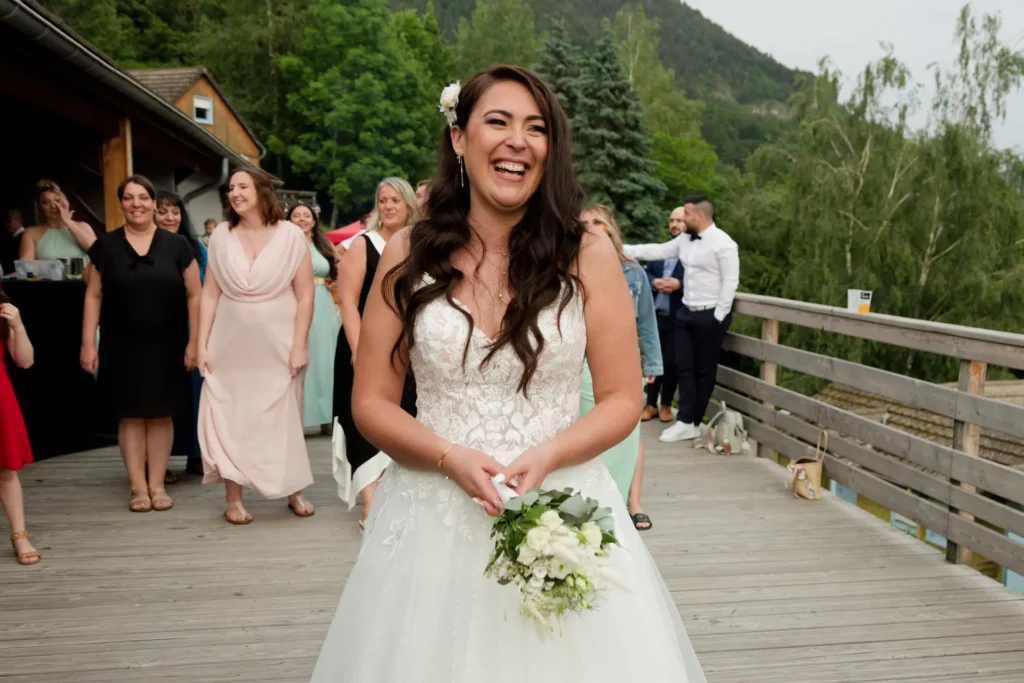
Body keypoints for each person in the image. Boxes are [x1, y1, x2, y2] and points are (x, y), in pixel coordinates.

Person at [309, 66, 706, 683]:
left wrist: (549, 455)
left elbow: (624, 398)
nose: (518, 140)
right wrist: (447, 457)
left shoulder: (587, 253)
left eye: (536, 128)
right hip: (430, 516)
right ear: (460, 138)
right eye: (497, 122)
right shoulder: (405, 254)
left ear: (551, 151)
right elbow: (373, 403)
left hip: (562, 507)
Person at [197, 168, 315, 524]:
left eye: (242, 187)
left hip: (278, 343)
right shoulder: (221, 235)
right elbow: (209, 294)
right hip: (230, 344)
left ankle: (292, 489)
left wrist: (298, 345)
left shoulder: (291, 235)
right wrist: (201, 343)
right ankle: (233, 498)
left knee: (283, 415)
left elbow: (306, 293)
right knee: (230, 414)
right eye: (231, 188)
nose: (235, 193)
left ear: (262, 191)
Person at [80, 175, 201, 513]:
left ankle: (158, 484)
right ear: (121, 204)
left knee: (161, 415)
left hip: (168, 343)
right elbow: (92, 295)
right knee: (130, 415)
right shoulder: (105, 245)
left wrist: (195, 342)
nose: (137, 204)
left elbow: (195, 295)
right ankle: (137, 487)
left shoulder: (178, 246)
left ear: (152, 202)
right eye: (129, 198)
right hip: (121, 344)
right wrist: (88, 342)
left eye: (143, 198)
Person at [332, 177, 419, 530]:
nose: (388, 206)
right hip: (362, 343)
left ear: (408, 204)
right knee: (363, 418)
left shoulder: (419, 244)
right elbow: (348, 303)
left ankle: (397, 498)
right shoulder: (361, 245)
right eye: (382, 200)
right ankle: (370, 506)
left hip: (407, 348)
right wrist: (359, 349)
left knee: (404, 417)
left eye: (395, 200)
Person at [624, 195, 739, 443]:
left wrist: (718, 317)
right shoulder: (684, 240)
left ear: (698, 215)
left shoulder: (724, 244)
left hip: (711, 315)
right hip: (685, 312)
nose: (682, 219)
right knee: (683, 367)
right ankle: (685, 421)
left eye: (685, 214)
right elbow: (655, 250)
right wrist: (618, 248)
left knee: (704, 370)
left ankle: (694, 421)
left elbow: (730, 282)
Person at [578, 204, 661, 530]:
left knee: (627, 434)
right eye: (584, 223)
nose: (591, 227)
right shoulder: (568, 266)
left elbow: (647, 321)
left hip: (626, 363)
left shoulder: (633, 273)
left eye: (598, 222)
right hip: (582, 364)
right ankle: (591, 502)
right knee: (589, 431)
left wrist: (653, 363)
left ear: (610, 230)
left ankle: (624, 501)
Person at [155, 190, 208, 480]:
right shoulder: (146, 247)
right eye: (162, 211)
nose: (169, 217)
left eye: (174, 211)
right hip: (160, 328)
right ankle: (157, 462)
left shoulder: (197, 249)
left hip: (195, 327)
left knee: (196, 393)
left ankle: (196, 454)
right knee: (160, 394)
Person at [287, 202, 339, 433]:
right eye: (296, 216)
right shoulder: (284, 244)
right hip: (295, 303)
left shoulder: (323, 244)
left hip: (324, 304)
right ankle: (297, 414)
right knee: (302, 357)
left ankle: (328, 415)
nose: (301, 219)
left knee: (326, 359)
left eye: (306, 215)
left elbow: (342, 269)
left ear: (314, 220)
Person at [0, 288, 40, 565]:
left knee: (5, 470)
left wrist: (17, 325)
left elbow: (25, 361)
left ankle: (19, 534)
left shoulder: (4, 311)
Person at [642, 206, 685, 424]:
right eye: (671, 220)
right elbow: (647, 273)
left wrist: (680, 284)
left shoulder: (691, 255)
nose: (674, 225)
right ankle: (650, 404)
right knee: (652, 360)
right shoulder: (661, 250)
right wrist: (653, 282)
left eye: (679, 220)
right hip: (656, 314)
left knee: (671, 363)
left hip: (678, 317)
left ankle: (666, 404)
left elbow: (702, 281)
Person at [19, 179, 96, 262]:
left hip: (83, 275)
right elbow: (25, 266)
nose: (53, 206)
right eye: (45, 202)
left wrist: (69, 223)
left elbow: (98, 252)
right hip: (47, 275)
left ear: (65, 202)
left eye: (57, 201)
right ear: (40, 207)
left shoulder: (83, 226)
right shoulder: (31, 233)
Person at [1, 209, 26, 275]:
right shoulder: (12, 238)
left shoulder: (24, 238)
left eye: (9, 221)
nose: (6, 224)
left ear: (19, 220)